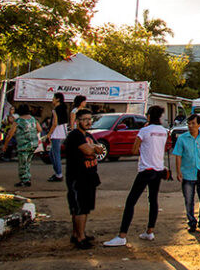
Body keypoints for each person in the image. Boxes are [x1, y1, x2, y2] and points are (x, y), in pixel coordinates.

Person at [103, 105, 168, 246]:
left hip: (146, 169)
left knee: (131, 201)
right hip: (158, 170)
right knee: (153, 200)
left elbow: (133, 150)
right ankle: (150, 231)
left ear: (149, 116)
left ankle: (122, 235)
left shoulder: (144, 131)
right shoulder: (164, 131)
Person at [65, 108, 103, 249]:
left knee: (85, 208)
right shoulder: (75, 135)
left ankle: (79, 234)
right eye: (84, 119)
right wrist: (94, 148)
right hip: (78, 176)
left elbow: (100, 149)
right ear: (77, 121)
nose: (88, 122)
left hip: (90, 176)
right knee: (80, 208)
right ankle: (80, 238)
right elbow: (89, 150)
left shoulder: (88, 135)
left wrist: (93, 148)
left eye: (89, 119)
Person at [172, 113, 200, 232]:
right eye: (189, 124)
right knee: (189, 200)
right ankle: (191, 222)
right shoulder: (182, 138)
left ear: (199, 125)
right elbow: (178, 156)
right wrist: (178, 171)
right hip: (188, 174)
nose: (191, 126)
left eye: (193, 124)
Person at [2, 104, 41, 187]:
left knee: (22, 163)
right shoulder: (33, 119)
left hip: (23, 145)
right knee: (28, 162)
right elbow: (39, 129)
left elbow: (10, 134)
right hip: (33, 144)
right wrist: (31, 134)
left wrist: (5, 145)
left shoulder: (18, 121)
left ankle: (25, 180)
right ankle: (27, 177)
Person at [46, 93, 69, 182]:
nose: (52, 100)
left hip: (57, 133)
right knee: (52, 154)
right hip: (61, 132)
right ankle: (57, 172)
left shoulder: (56, 109)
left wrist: (49, 133)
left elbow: (55, 123)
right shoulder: (63, 108)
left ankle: (58, 174)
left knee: (55, 154)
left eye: (54, 98)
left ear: (58, 99)